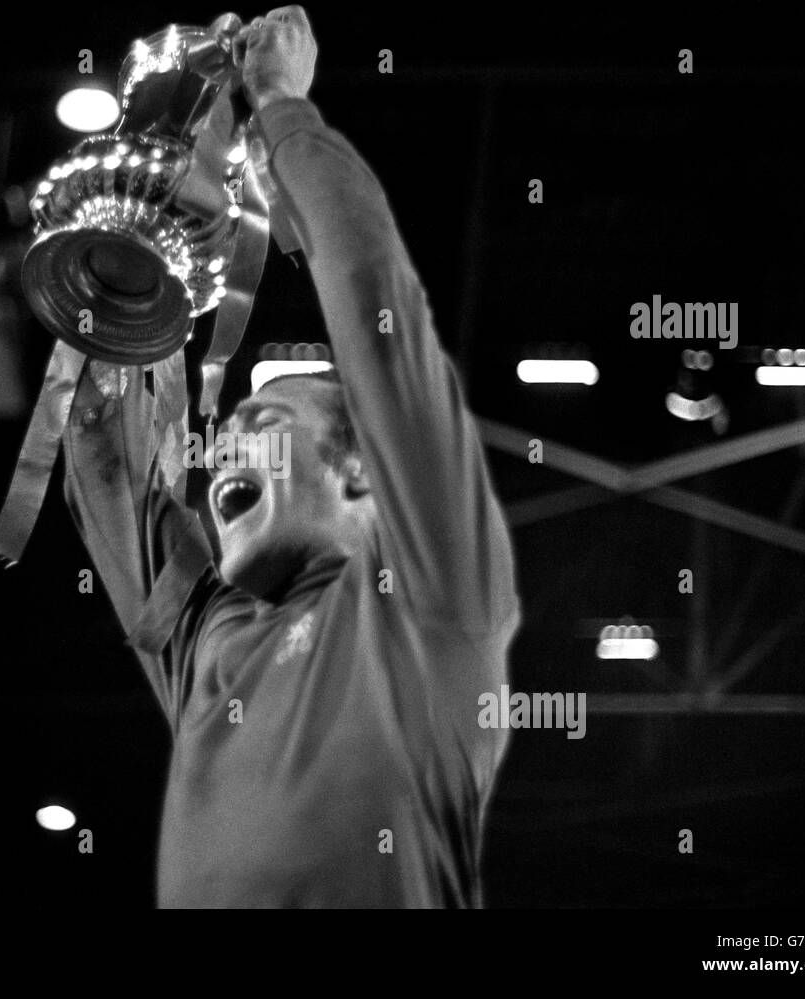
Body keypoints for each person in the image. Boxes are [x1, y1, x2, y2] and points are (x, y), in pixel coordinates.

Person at [62, 6, 520, 907]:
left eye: (264, 417)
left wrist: (282, 110)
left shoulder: (433, 601)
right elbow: (101, 453)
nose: (224, 436)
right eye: (230, 424)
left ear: (360, 474)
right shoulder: (211, 644)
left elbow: (376, 308)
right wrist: (155, 192)